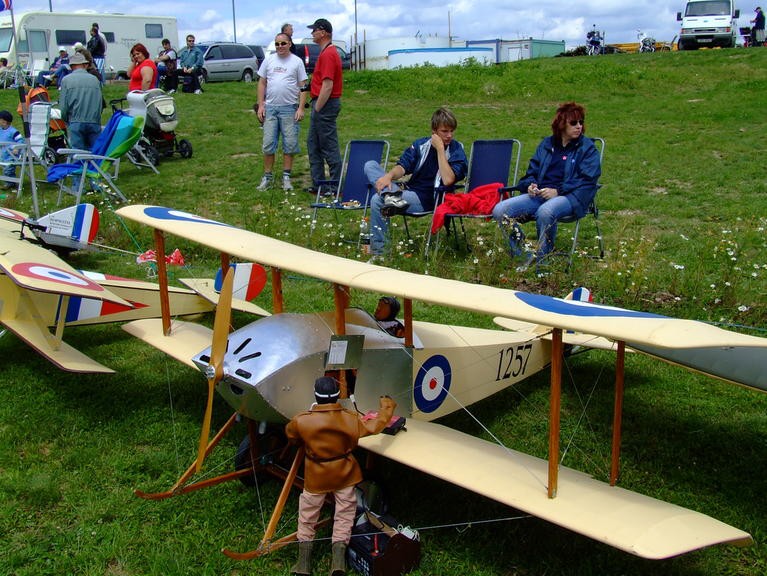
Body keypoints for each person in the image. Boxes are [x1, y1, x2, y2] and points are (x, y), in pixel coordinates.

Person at [286, 376, 396, 576]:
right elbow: (376, 425)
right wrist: (387, 406)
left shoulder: (301, 420)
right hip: (344, 473)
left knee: (308, 515)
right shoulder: (350, 418)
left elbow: (291, 435)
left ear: (315, 396)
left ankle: (303, 563)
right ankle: (338, 563)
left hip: (316, 476)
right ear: (338, 396)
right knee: (344, 515)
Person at [491, 102, 601, 271]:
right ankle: (523, 254)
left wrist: (558, 191)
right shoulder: (547, 144)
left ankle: (543, 262)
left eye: (581, 122)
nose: (579, 126)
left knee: (546, 211)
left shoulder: (587, 148)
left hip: (571, 196)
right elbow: (531, 172)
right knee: (500, 210)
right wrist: (530, 185)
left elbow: (588, 178)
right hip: (540, 194)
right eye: (574, 123)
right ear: (561, 124)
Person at [364, 107, 468, 261]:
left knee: (376, 200)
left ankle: (380, 254)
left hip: (429, 198)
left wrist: (440, 149)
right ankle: (391, 196)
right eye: (444, 131)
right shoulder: (421, 145)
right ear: (434, 131)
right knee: (370, 165)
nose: (449, 135)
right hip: (407, 190)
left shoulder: (455, 149)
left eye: (452, 131)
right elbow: (403, 167)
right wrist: (389, 176)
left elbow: (448, 179)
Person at [256, 32, 307, 192]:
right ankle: (267, 178)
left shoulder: (297, 62)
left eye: (283, 43)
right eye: (277, 44)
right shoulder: (269, 60)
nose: (280, 47)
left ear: (289, 44)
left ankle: (286, 178)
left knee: (289, 145)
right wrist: (261, 105)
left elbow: (303, 86)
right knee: (268, 144)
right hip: (270, 109)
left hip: (290, 109)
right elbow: (262, 83)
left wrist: (300, 108)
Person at [305, 18, 343, 193]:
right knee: (313, 144)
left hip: (325, 104)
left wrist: (317, 108)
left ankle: (335, 186)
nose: (312, 33)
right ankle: (319, 184)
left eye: (315, 30)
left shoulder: (328, 54)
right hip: (322, 103)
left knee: (328, 146)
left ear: (324, 32)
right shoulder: (327, 52)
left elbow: (327, 85)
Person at [58, 51, 103, 151]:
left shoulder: (66, 80)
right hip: (94, 120)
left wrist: (66, 120)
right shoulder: (95, 80)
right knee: (96, 152)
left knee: (77, 152)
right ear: (85, 64)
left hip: (75, 120)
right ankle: (95, 167)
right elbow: (100, 103)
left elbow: (63, 107)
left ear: (71, 66)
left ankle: (80, 167)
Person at [0, 110, 24, 188]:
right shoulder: (1, 130)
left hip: (11, 156)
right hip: (3, 154)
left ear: (4, 121)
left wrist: (16, 148)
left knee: (8, 170)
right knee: (5, 169)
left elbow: (20, 140)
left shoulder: (13, 131)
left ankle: (10, 183)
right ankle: (11, 182)